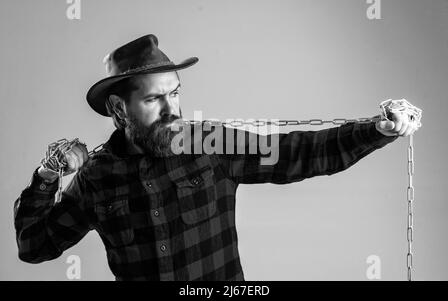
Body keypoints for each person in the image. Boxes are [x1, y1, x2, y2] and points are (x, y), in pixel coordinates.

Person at [13, 34, 419, 281]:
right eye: (155, 98)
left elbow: (303, 153)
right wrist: (49, 174)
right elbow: (34, 246)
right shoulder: (96, 178)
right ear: (120, 109)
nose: (172, 109)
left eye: (175, 92)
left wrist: (376, 130)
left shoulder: (209, 145)